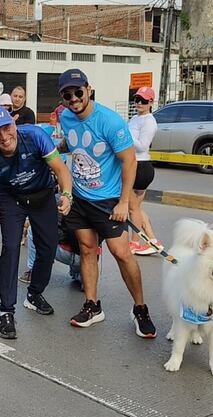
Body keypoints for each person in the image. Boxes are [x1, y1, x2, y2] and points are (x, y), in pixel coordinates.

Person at [57, 69, 156, 338]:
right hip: (80, 198)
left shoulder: (110, 121)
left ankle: (140, 309)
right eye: (68, 94)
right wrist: (55, 149)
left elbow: (130, 161)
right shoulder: (66, 117)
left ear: (88, 90)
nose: (74, 98)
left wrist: (124, 202)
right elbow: (72, 144)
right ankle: (92, 306)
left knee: (121, 253)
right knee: (87, 249)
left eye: (78, 92)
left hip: (109, 199)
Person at [0, 106, 73, 339]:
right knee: (9, 250)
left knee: (48, 248)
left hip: (43, 195)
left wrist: (67, 195)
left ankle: (34, 293)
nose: (4, 136)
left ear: (14, 123)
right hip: (13, 201)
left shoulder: (35, 136)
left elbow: (60, 170)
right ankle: (6, 311)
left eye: (7, 128)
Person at [127, 87, 162, 256]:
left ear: (150, 103)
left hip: (140, 167)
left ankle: (135, 242)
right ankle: (153, 241)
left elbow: (142, 146)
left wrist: (125, 135)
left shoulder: (149, 121)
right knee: (137, 208)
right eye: (137, 99)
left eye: (144, 100)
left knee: (132, 209)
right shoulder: (135, 118)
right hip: (133, 164)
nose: (139, 103)